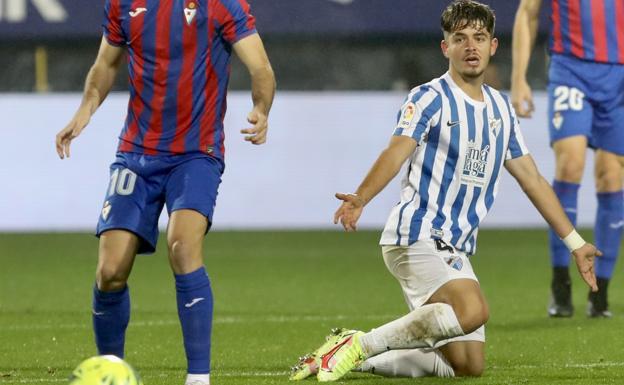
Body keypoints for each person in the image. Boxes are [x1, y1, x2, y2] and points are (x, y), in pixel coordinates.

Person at [289, 0, 599, 381]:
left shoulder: (502, 110)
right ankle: (362, 344)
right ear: (445, 47)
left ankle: (353, 354)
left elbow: (532, 179)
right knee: (473, 311)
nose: (471, 46)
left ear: (493, 46)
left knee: (467, 365)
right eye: (460, 38)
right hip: (418, 234)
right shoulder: (429, 98)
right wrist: (362, 197)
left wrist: (576, 243)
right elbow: (396, 151)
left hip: (455, 245)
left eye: (479, 38)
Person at [55, 1, 275, 384]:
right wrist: (84, 111)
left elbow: (261, 68)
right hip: (136, 155)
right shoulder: (124, 5)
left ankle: (198, 378)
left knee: (182, 245)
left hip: (196, 154)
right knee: (110, 272)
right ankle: (110, 371)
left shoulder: (221, 5)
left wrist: (262, 109)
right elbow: (105, 64)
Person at [511, 0, 624, 318]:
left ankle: (599, 290)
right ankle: (561, 282)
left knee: (611, 175)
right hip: (571, 69)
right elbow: (527, 12)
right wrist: (519, 78)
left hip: (619, 76)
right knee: (571, 163)